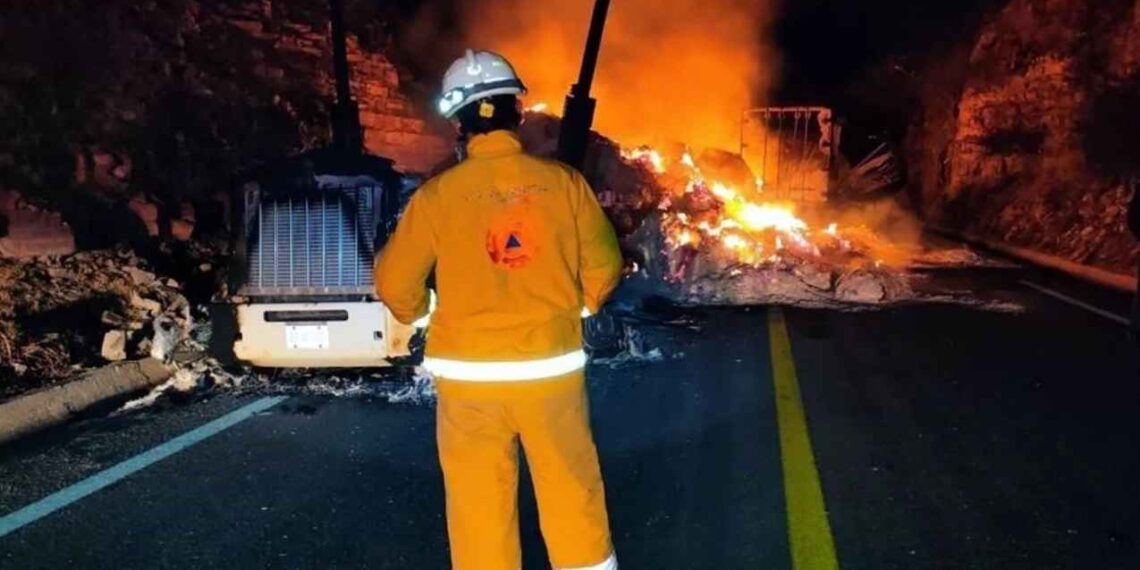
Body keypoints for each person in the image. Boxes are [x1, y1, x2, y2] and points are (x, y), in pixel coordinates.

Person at [375, 49, 623, 570]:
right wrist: (575, 306)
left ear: (459, 123)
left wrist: (424, 315)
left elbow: (395, 283)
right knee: (571, 489)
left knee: (478, 505)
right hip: (550, 374)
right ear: (518, 111)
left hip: (469, 384)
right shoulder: (564, 184)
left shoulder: (438, 196)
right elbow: (604, 267)